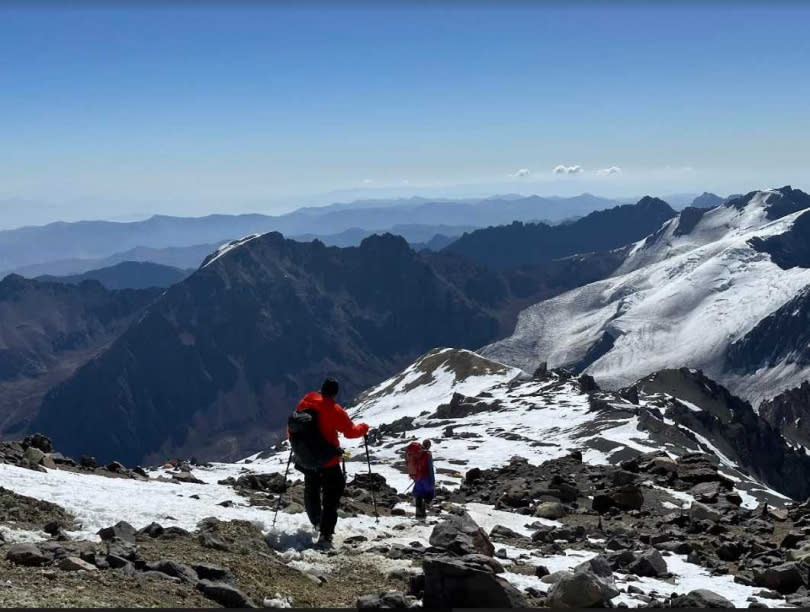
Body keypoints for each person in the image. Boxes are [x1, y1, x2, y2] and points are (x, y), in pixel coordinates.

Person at [294, 378, 369, 546]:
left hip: (308, 458)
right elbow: (350, 432)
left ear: (321, 389)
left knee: (311, 490)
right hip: (328, 460)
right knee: (331, 496)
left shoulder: (305, 402)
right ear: (335, 393)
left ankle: (316, 521)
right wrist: (364, 427)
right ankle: (326, 533)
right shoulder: (334, 409)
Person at [412, 439, 435, 519]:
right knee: (429, 494)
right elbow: (430, 468)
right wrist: (432, 481)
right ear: (428, 445)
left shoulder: (417, 453)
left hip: (418, 477)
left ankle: (418, 513)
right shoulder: (428, 454)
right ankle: (423, 513)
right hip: (426, 477)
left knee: (419, 494)